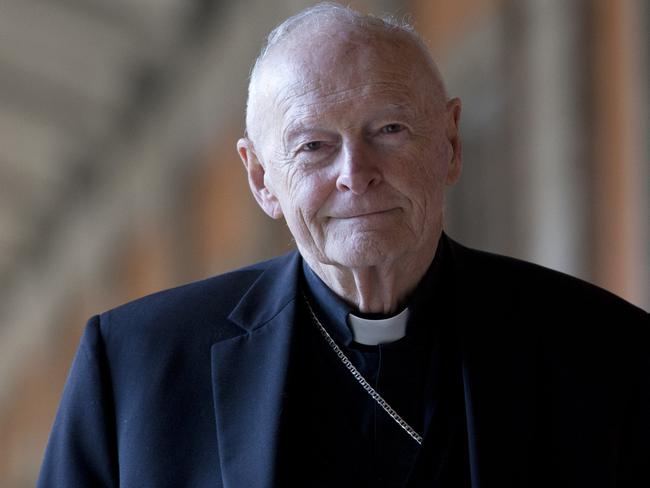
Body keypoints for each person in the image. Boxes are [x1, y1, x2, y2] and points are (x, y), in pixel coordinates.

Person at [38, 3, 648, 487]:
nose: (356, 173)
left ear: (451, 144)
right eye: (313, 146)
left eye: (390, 129)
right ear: (260, 178)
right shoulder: (136, 367)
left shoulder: (607, 353)